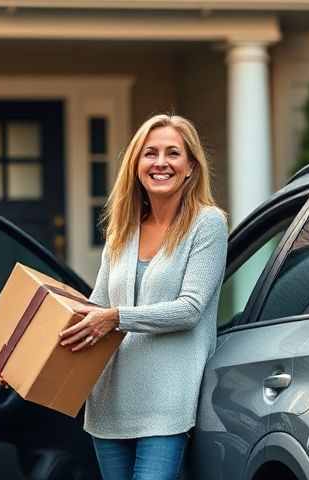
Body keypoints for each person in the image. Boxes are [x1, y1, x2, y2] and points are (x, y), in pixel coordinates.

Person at [59, 114, 228, 479]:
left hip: (166, 406)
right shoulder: (123, 231)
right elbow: (93, 311)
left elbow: (190, 309)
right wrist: (23, 359)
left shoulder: (208, 224)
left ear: (190, 167)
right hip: (108, 404)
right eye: (150, 153)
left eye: (173, 153)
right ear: (136, 165)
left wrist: (117, 317)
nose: (161, 162)